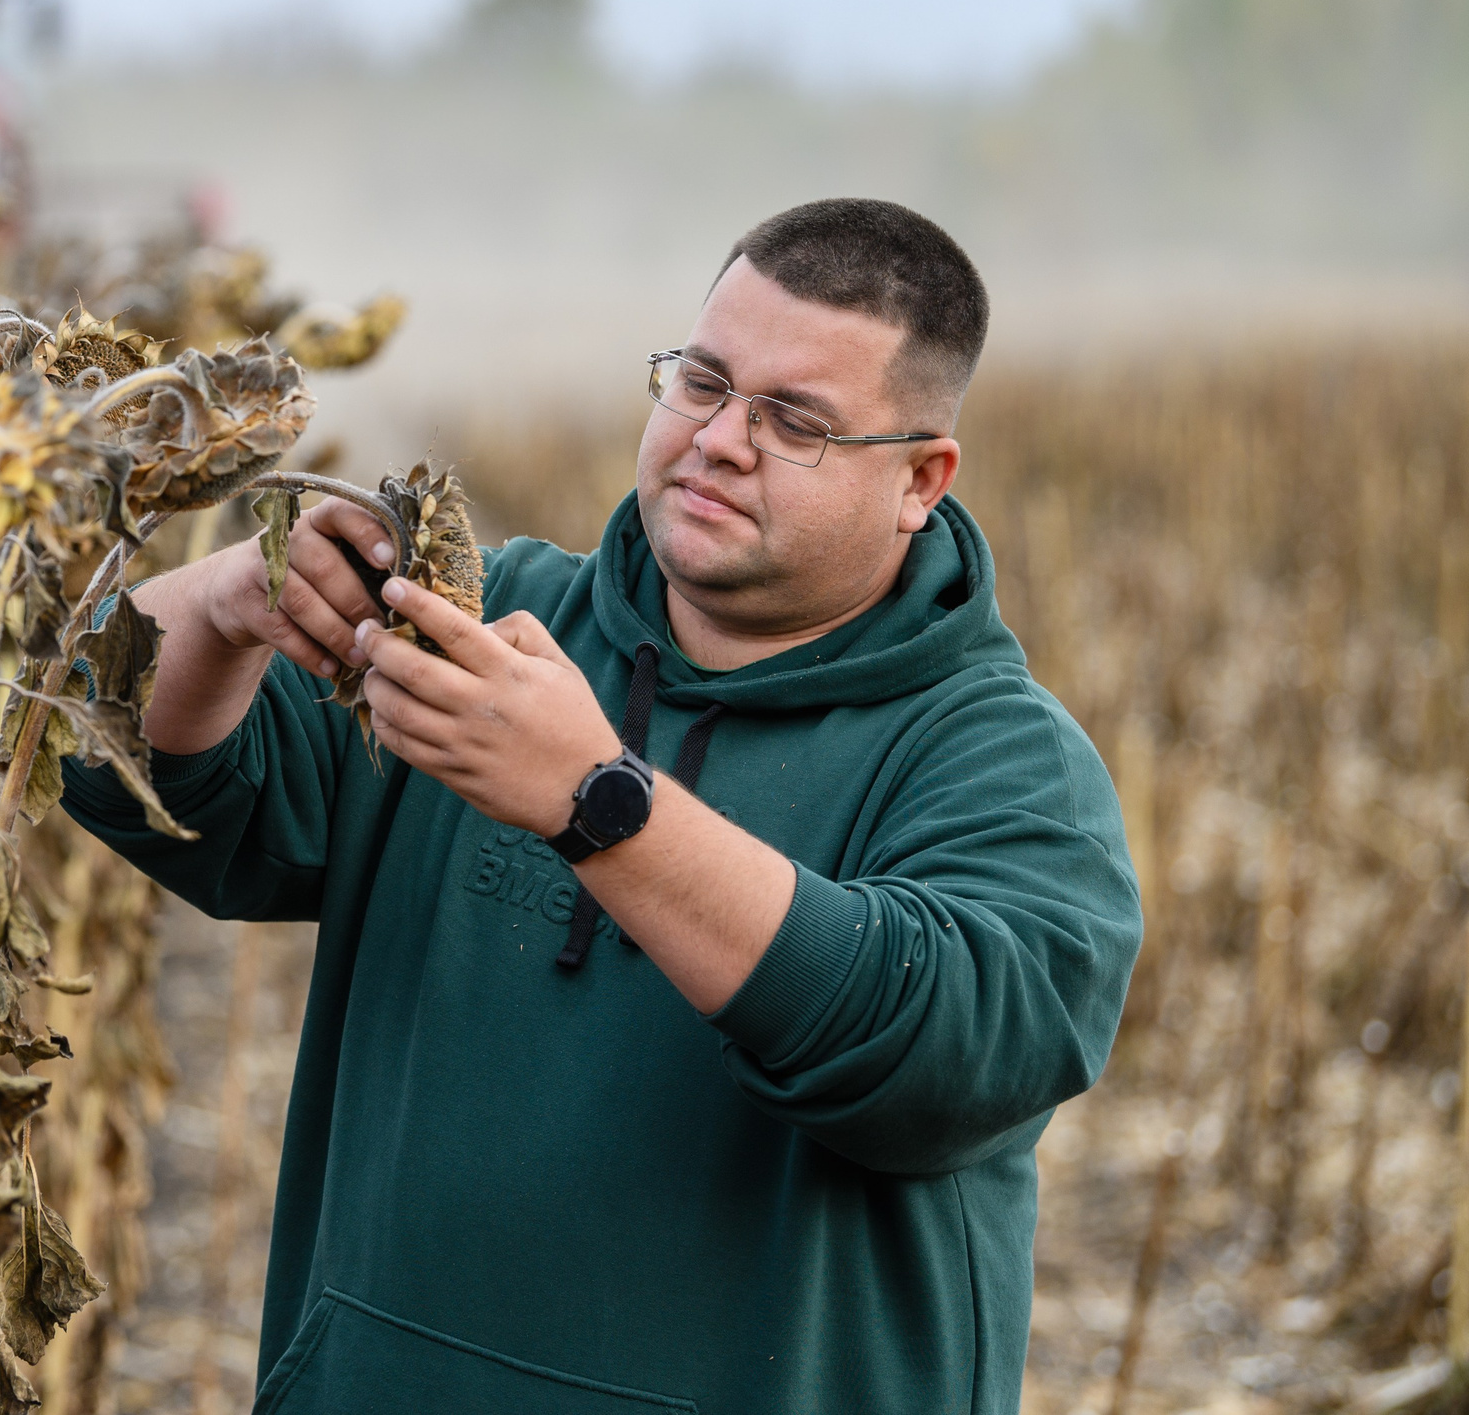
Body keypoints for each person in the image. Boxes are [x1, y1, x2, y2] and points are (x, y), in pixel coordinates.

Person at [60, 199, 1142, 1413]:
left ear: (919, 480)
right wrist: (220, 606)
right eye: (702, 381)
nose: (721, 440)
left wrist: (594, 798)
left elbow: (933, 1050)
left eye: (796, 422)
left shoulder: (1001, 760)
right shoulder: (490, 621)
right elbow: (144, 777)